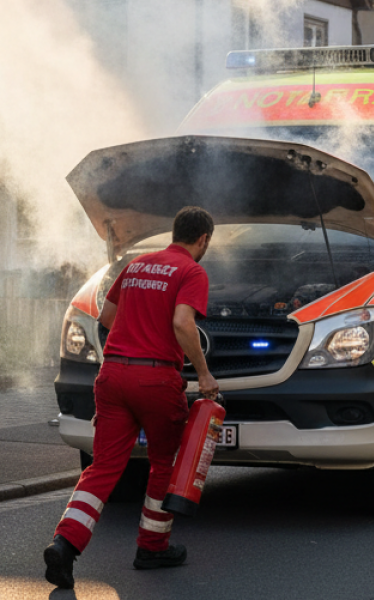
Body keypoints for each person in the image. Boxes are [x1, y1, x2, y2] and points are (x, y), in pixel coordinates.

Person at [43, 206, 219, 589]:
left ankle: (64, 544)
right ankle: (152, 547)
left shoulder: (136, 265)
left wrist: (138, 328)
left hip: (112, 375)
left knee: (103, 467)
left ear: (174, 232)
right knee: (163, 464)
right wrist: (204, 374)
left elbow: (107, 317)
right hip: (156, 379)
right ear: (203, 239)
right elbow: (182, 322)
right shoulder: (191, 271)